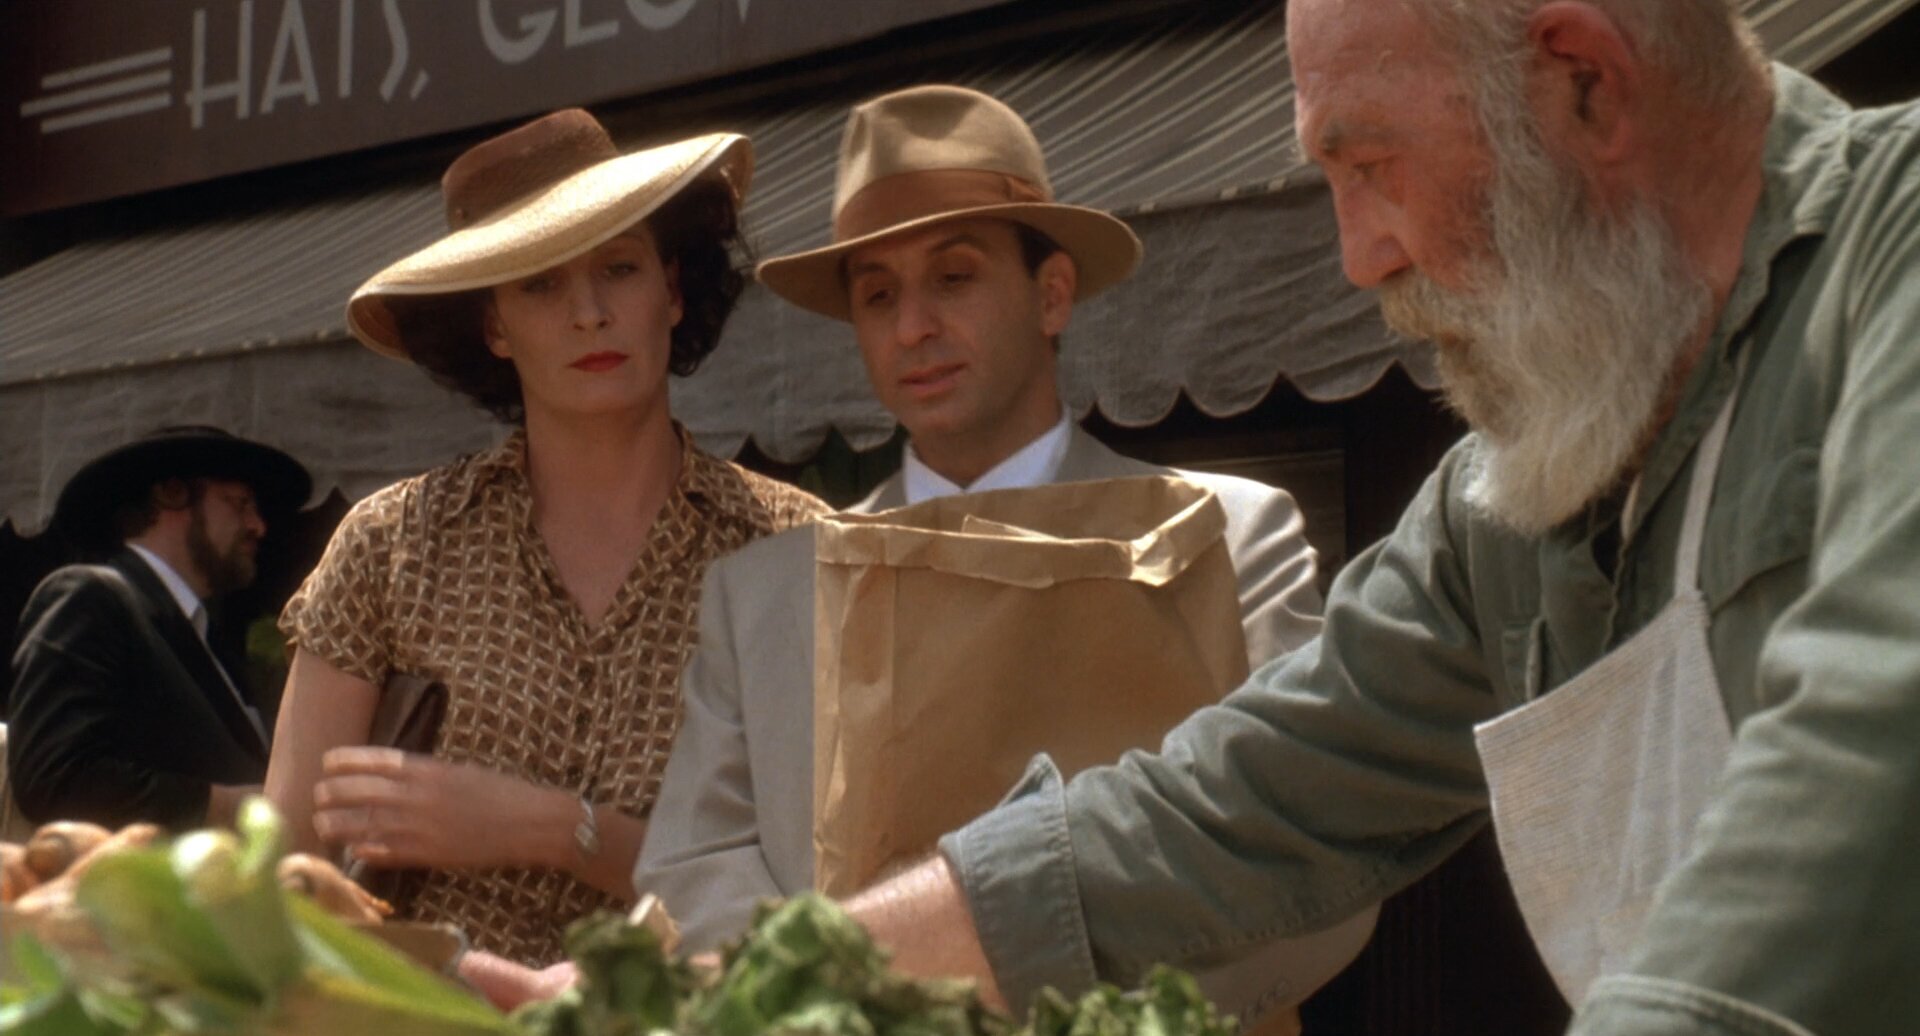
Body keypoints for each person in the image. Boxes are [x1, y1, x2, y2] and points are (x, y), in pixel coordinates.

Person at [803, 3, 1920, 1034]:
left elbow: (1864, 770)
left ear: (1585, 81)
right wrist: (799, 974)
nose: (1359, 258)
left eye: (1371, 167)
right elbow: (1242, 799)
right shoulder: (1508, 498)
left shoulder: (1890, 264)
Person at [629, 85, 1373, 1026]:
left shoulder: (1228, 535)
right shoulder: (764, 595)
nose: (913, 327)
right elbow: (693, 876)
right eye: (879, 294)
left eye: (954, 277)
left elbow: (1316, 845)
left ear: (1051, 293)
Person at [263, 109, 826, 965]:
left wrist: (555, 829)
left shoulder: (791, 546)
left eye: (619, 268)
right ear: (493, 326)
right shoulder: (390, 546)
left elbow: (821, 892)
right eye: (539, 285)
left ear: (672, 290)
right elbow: (287, 874)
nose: (589, 313)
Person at [8, 426, 310, 831]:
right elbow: (56, 781)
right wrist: (239, 806)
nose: (258, 526)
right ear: (172, 493)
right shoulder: (90, 596)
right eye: (240, 504)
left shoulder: (205, 637)